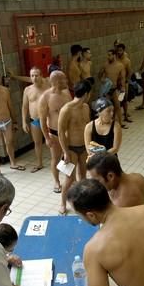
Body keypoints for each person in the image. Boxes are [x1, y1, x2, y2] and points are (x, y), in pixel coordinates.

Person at [57, 80, 91, 215]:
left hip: (84, 147)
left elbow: (88, 127)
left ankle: (80, 202)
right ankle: (62, 203)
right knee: (69, 179)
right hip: (71, 148)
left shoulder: (86, 107)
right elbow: (60, 132)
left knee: (83, 176)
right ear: (86, 94)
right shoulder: (67, 109)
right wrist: (65, 152)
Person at [9, 67, 50, 173]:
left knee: (53, 142)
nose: (34, 78)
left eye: (37, 75)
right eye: (32, 76)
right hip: (34, 120)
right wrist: (23, 122)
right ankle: (39, 163)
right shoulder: (27, 90)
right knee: (37, 143)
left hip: (47, 119)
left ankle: (58, 161)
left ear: (41, 76)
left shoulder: (47, 85)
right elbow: (24, 107)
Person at [39, 71, 72, 193]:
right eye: (64, 79)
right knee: (56, 158)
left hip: (69, 131)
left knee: (69, 157)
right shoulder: (45, 97)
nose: (67, 81)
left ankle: (69, 180)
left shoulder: (67, 92)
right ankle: (57, 181)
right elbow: (42, 120)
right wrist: (46, 137)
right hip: (55, 133)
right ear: (57, 81)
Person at [99, 49, 126, 128]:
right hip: (107, 90)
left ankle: (120, 123)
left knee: (117, 106)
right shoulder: (105, 65)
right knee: (105, 107)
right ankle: (104, 122)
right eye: (108, 55)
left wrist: (123, 87)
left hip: (114, 89)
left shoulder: (120, 66)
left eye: (110, 55)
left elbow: (122, 78)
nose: (108, 57)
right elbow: (99, 75)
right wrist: (102, 80)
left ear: (114, 55)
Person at [116, 43, 133, 123]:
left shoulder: (127, 61)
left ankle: (125, 115)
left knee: (124, 100)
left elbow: (129, 73)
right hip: (115, 83)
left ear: (123, 51)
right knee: (117, 101)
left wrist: (125, 82)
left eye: (121, 51)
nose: (119, 52)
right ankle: (117, 117)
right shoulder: (115, 59)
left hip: (124, 83)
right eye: (118, 51)